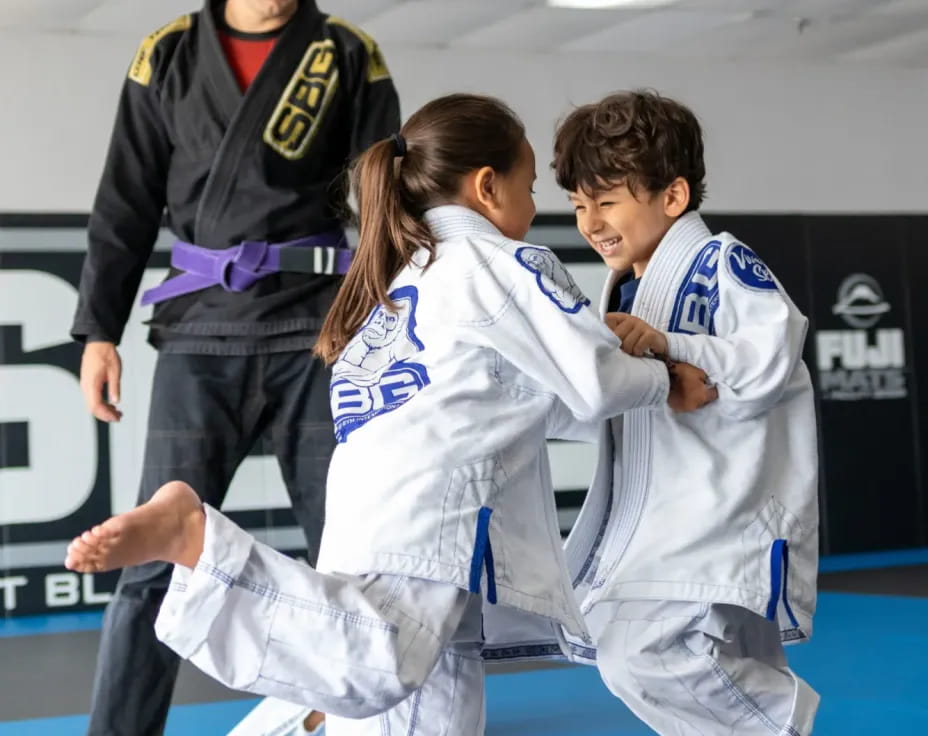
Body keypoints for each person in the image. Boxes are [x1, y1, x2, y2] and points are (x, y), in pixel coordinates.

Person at [65, 93, 716, 736]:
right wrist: (662, 382)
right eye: (532, 187)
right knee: (377, 665)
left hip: (372, 509)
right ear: (488, 187)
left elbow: (524, 401)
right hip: (431, 519)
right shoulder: (508, 264)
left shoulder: (402, 281)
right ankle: (199, 542)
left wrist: (625, 398)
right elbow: (596, 382)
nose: (536, 206)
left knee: (422, 716)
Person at [69, 1, 399, 733]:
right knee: (150, 560)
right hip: (200, 336)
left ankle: (360, 721)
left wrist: (397, 323)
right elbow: (124, 200)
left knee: (350, 553)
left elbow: (388, 204)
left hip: (319, 332)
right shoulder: (168, 55)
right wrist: (99, 331)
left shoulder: (347, 53)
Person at [528, 90, 819, 735]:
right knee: (624, 646)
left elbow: (772, 355)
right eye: (578, 205)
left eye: (606, 201)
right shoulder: (621, 289)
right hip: (665, 525)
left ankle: (778, 719)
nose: (590, 222)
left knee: (640, 652)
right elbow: (610, 409)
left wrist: (671, 344)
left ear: (674, 197)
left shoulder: (722, 263)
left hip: (723, 518)